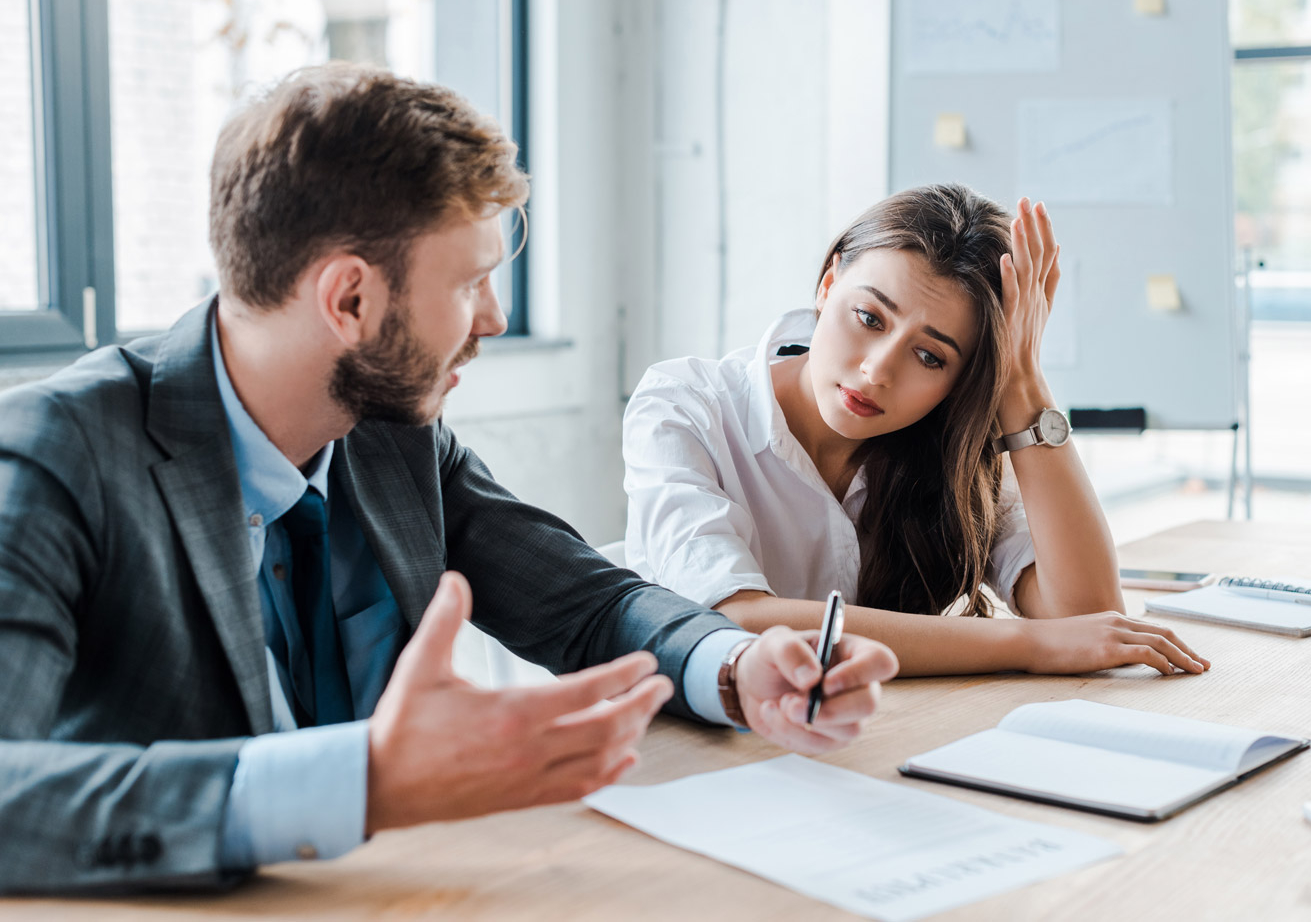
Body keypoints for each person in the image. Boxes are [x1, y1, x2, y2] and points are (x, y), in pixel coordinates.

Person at [0, 63, 898, 894]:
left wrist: (736, 666)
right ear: (348, 299)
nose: (497, 318)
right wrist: (360, 782)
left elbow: (586, 601)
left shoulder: (392, 432)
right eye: (471, 283)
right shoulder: (55, 456)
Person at [623, 184, 1209, 678]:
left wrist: (1021, 381)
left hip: (863, 746)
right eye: (869, 318)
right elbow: (737, 620)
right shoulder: (685, 405)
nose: (877, 370)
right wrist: (1026, 646)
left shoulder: (952, 447)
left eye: (930, 357)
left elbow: (1089, 618)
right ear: (829, 286)